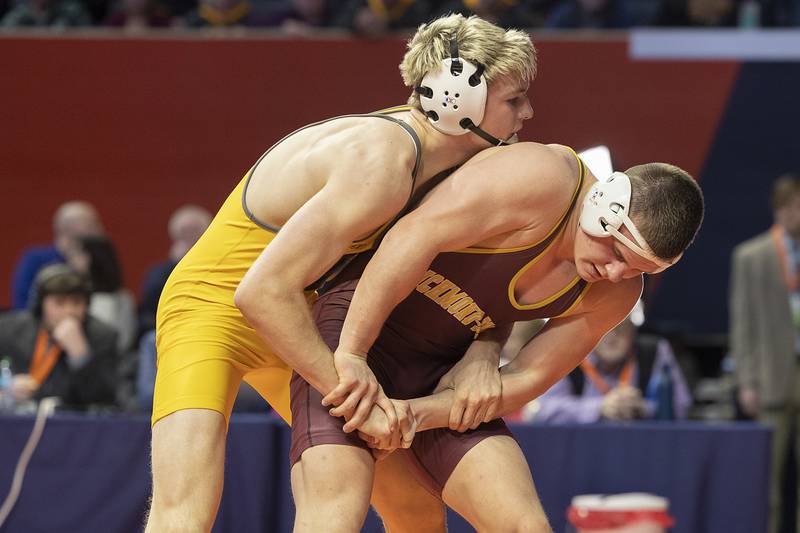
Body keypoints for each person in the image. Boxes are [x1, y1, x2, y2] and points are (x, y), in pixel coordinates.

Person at [146, 14, 537, 532]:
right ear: (456, 99)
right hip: (215, 311)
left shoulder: (455, 168)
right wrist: (350, 387)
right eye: (514, 100)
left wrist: (486, 348)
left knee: (412, 505)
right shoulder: (381, 164)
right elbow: (259, 292)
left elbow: (479, 287)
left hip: (300, 322)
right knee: (186, 512)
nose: (528, 113)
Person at [289, 146, 704, 531]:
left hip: (441, 372)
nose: (616, 274)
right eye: (617, 254)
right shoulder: (540, 179)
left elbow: (529, 376)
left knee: (526, 526)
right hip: (358, 326)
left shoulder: (615, 294)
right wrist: (354, 354)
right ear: (602, 208)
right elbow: (410, 237)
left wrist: (414, 414)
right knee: (337, 505)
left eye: (637, 269)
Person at [730, 173, 800, 533]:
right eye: (794, 206)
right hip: (771, 378)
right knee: (767, 480)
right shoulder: (751, 257)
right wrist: (747, 381)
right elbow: (743, 325)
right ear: (781, 209)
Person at [534, 305, 692, 423]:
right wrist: (600, 408)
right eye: (604, 328)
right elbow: (544, 409)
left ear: (633, 329)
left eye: (620, 328)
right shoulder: (567, 353)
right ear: (589, 331)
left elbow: (681, 405)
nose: (612, 336)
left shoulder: (655, 350)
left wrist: (642, 408)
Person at [0, 264, 119, 409]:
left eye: (77, 302)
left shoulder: (102, 336)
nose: (69, 311)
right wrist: (5, 387)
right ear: (40, 305)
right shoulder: (8, 330)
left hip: (72, 426)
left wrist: (80, 356)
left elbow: (106, 400)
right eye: (59, 303)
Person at [10, 200, 104, 310]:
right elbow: (23, 304)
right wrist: (75, 271)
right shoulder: (35, 259)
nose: (100, 230)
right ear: (71, 227)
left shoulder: (97, 259)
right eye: (92, 224)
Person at [138, 204, 212, 337]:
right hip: (167, 328)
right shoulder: (159, 272)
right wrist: (176, 264)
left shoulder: (218, 265)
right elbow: (149, 306)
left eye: (195, 230)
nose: (190, 236)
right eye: (184, 231)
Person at [69, 235, 138, 354]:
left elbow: (122, 342)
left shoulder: (118, 299)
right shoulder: (71, 294)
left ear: (92, 258)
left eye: (78, 254)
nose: (71, 260)